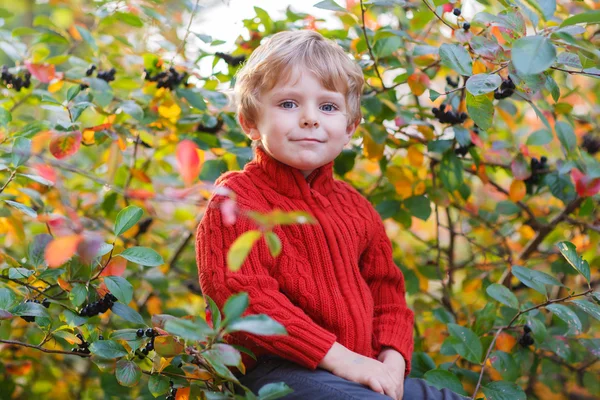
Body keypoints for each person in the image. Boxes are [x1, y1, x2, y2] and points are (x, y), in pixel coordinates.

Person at [195, 30, 468, 400]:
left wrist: (392, 360)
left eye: (327, 107)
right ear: (250, 123)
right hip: (279, 373)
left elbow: (387, 293)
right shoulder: (237, 200)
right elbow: (243, 298)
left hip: (361, 369)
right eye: (288, 104)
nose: (310, 118)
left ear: (350, 127)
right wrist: (341, 359)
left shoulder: (356, 208)